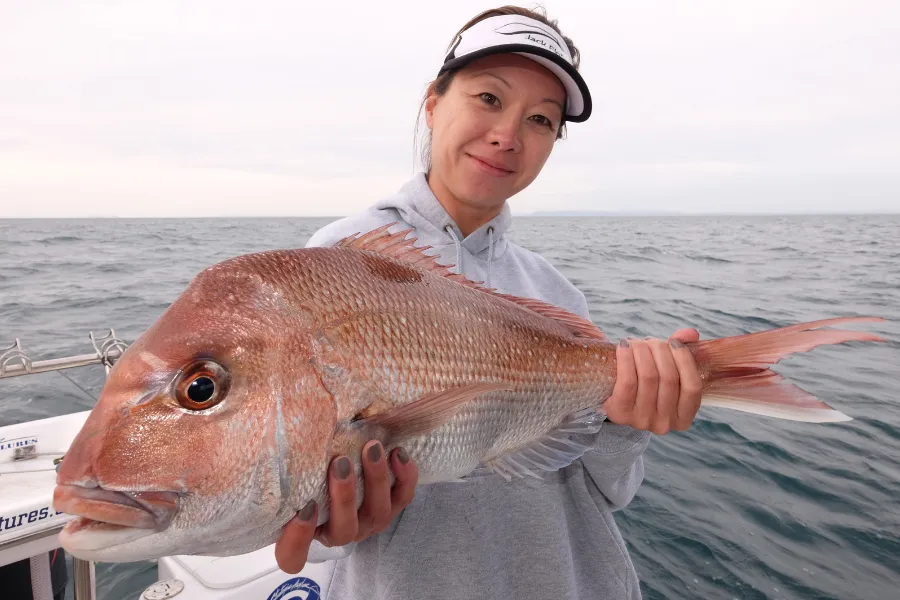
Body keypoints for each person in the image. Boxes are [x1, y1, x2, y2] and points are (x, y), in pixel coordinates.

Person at [275, 6, 702, 599]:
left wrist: (629, 425)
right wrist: (331, 517)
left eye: (540, 120)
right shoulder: (340, 259)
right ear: (433, 102)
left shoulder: (555, 293)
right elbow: (319, 491)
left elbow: (607, 493)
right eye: (488, 98)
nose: (508, 135)